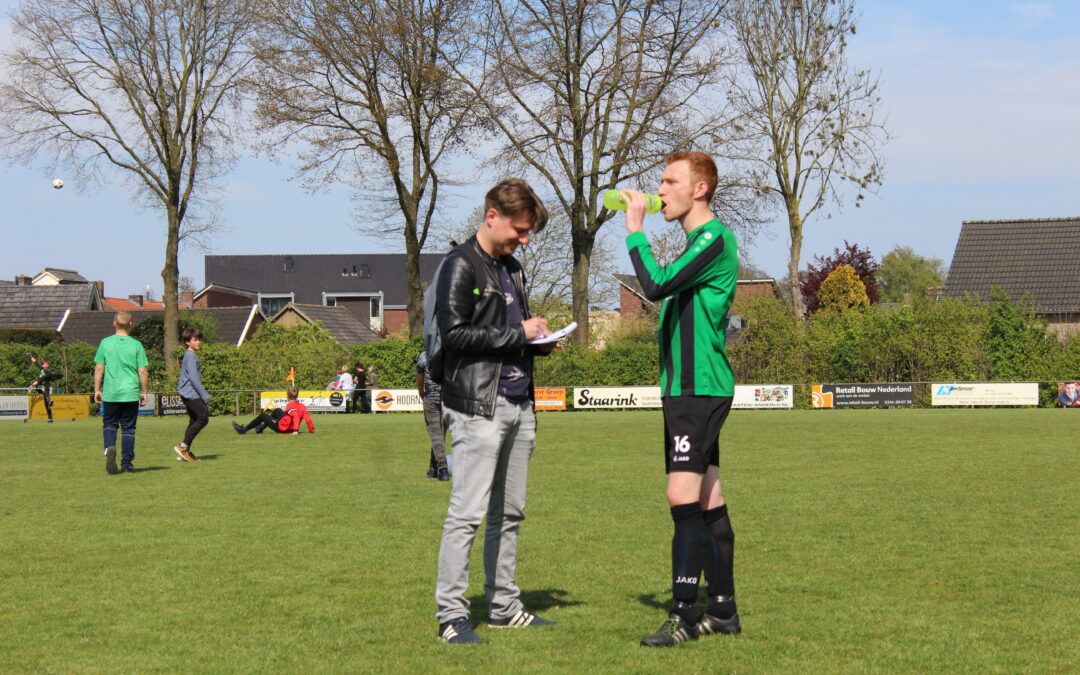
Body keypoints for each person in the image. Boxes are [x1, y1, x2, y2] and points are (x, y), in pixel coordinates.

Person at [621, 151, 741, 646]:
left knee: (681, 496)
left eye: (670, 181)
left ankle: (684, 616)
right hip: (686, 390)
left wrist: (635, 230)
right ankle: (723, 610)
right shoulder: (698, 244)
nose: (660, 190)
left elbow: (655, 284)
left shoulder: (713, 238)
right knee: (709, 497)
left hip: (698, 389)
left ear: (700, 189)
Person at [434, 178, 556, 645]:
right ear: (492, 216)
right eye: (519, 230)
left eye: (527, 232)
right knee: (467, 514)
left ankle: (504, 607)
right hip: (478, 407)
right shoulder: (459, 265)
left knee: (510, 513)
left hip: (520, 404)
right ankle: (451, 616)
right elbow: (455, 335)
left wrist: (540, 341)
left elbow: (509, 331)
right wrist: (520, 333)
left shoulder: (513, 268)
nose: (524, 240)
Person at [93, 311, 149, 475]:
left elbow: (99, 368)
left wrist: (97, 389)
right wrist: (144, 391)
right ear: (130, 324)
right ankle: (127, 465)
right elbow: (143, 370)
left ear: (114, 323)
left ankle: (109, 447)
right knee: (128, 429)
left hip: (111, 392)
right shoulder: (136, 345)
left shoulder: (105, 343)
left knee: (110, 424)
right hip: (130, 393)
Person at [174, 327, 209, 462]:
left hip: (187, 392)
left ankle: (184, 453)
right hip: (190, 393)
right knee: (203, 418)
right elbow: (194, 379)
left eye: (199, 339)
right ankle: (182, 446)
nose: (198, 342)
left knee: (194, 421)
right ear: (187, 342)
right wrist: (204, 396)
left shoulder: (190, 355)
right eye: (195, 340)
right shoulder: (191, 356)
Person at [416, 350, 449, 481]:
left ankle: (443, 469)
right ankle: (433, 468)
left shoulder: (424, 355)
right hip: (448, 400)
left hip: (431, 398)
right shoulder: (452, 353)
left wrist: (420, 391)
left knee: (436, 435)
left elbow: (420, 376)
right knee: (440, 435)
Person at [232, 387, 315, 435]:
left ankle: (243, 430)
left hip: (283, 428)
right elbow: (308, 419)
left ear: (287, 396)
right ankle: (260, 428)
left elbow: (296, 416)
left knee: (263, 415)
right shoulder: (302, 406)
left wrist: (295, 431)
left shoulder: (290, 405)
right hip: (288, 425)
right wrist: (311, 430)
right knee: (278, 410)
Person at [28, 354, 55, 422]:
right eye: (45, 364)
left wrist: (32, 385)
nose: (46, 365)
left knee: (47, 405)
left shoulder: (48, 372)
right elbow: (35, 362)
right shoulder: (41, 369)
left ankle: (50, 419)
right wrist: (30, 356)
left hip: (46, 387)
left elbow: (40, 380)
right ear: (42, 365)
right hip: (39, 386)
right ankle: (48, 399)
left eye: (47, 364)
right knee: (41, 387)